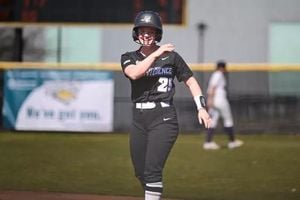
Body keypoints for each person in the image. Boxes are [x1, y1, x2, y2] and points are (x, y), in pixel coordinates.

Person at [120, 11, 211, 200]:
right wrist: (156, 54)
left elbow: (191, 82)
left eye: (150, 31)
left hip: (164, 118)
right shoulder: (128, 57)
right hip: (139, 120)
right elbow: (135, 73)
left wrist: (201, 107)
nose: (146, 35)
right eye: (142, 31)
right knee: (141, 172)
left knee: (153, 171)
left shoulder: (172, 57)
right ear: (136, 34)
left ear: (157, 34)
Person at [203, 61, 244, 150]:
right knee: (228, 120)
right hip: (220, 100)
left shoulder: (215, 74)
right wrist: (210, 100)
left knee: (213, 121)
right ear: (221, 68)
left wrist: (210, 100)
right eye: (224, 68)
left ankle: (208, 142)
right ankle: (232, 142)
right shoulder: (218, 74)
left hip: (215, 101)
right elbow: (213, 87)